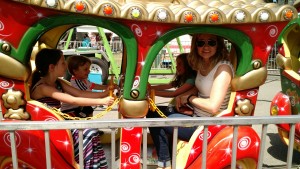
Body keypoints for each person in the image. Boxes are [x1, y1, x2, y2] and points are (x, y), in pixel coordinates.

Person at [147, 34, 234, 169]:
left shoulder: (223, 68)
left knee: (156, 118)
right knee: (152, 112)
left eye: (211, 42)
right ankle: (165, 159)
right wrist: (183, 97)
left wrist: (188, 98)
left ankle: (165, 163)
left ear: (218, 45)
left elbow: (213, 106)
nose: (206, 47)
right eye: (201, 43)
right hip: (196, 116)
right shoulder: (203, 64)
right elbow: (198, 88)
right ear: (195, 45)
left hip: (208, 125)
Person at [30, 48, 114, 169]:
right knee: (88, 132)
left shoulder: (58, 82)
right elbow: (72, 99)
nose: (66, 66)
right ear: (51, 67)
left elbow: (79, 93)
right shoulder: (43, 87)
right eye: (63, 63)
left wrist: (104, 94)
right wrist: (101, 101)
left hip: (57, 125)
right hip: (47, 130)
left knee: (91, 131)